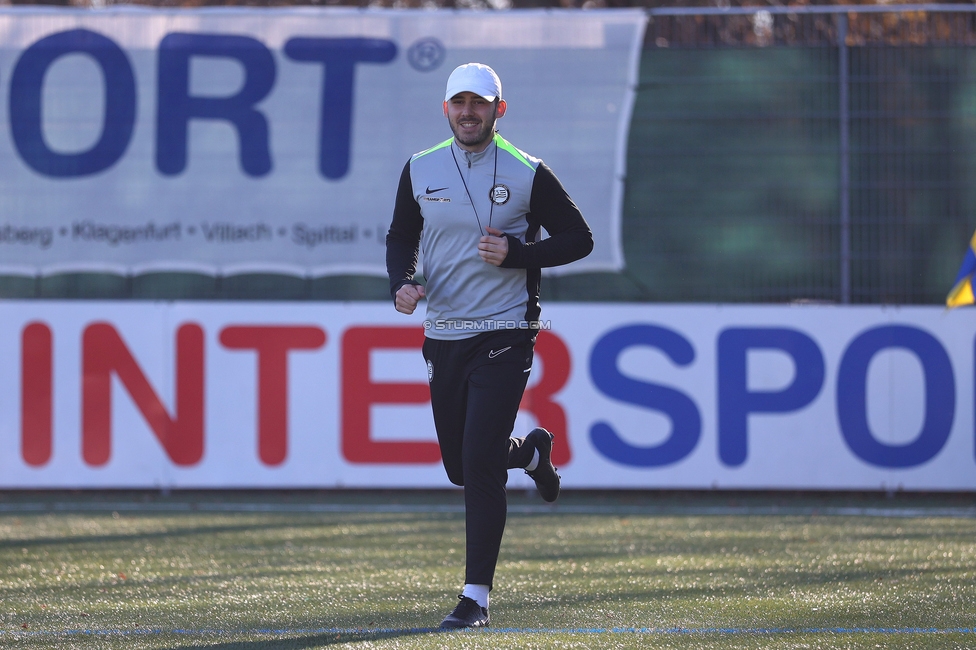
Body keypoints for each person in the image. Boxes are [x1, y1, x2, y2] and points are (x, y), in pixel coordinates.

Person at [385, 62, 593, 629]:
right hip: (443, 334)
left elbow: (579, 238)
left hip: (506, 331)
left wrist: (520, 256)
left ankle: (474, 598)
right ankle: (527, 453)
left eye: (480, 103)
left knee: (477, 464)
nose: (469, 112)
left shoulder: (528, 172)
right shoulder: (420, 168)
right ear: (446, 108)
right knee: (461, 465)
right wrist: (402, 282)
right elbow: (402, 234)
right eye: (459, 103)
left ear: (500, 110)